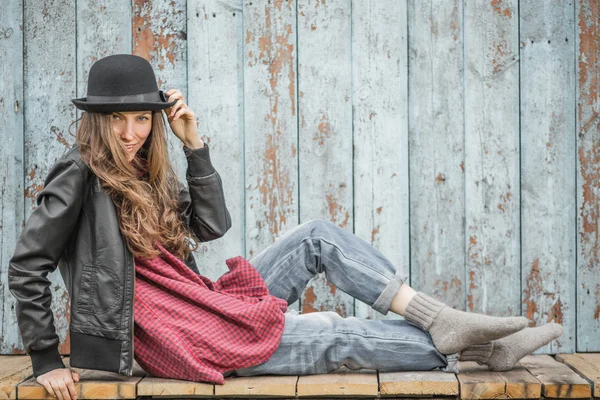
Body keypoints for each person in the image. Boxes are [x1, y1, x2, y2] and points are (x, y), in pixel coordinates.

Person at [8, 54, 562, 400]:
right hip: (172, 336)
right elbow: (27, 265)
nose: (131, 133)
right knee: (336, 338)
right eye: (117, 119)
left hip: (203, 305)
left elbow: (210, 225)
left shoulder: (143, 173)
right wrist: (43, 362)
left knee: (316, 236)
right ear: (97, 121)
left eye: (142, 119)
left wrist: (193, 145)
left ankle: (441, 320)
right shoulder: (78, 175)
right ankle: (483, 349)